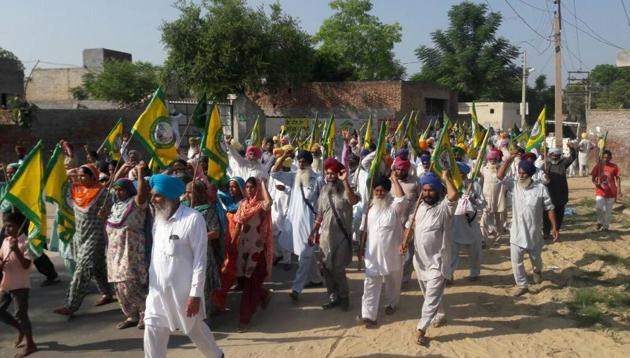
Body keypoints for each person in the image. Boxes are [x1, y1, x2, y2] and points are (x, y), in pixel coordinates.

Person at [143, 174, 223, 358]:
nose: (153, 200)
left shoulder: (193, 219)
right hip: (157, 293)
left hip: (183, 293)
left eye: (157, 196)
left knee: (196, 330)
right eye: (153, 195)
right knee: (152, 329)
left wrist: (195, 295)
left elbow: (200, 260)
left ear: (170, 196)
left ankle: (217, 356)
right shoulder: (158, 219)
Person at [400, 171, 458, 346]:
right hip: (420, 261)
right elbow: (409, 228)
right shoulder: (418, 208)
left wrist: (446, 177)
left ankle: (421, 329)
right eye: (424, 190)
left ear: (438, 191)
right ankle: (439, 314)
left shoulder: (443, 209)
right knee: (429, 296)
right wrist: (404, 241)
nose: (426, 193)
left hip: (438, 262)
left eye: (430, 190)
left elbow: (454, 195)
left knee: (431, 296)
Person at [54, 164, 114, 316]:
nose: (80, 178)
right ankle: (108, 293)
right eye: (79, 176)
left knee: (83, 269)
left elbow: (114, 211)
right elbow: (60, 187)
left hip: (96, 236)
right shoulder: (76, 191)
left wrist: (106, 213)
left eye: (83, 176)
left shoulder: (103, 193)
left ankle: (71, 305)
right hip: (80, 236)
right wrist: (68, 174)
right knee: (99, 267)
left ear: (93, 177)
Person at [497, 152, 558, 296]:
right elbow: (499, 176)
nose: (521, 175)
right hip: (516, 233)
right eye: (520, 173)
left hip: (534, 233)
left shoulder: (540, 188)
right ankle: (522, 284)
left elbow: (550, 208)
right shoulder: (514, 185)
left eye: (524, 173)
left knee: (536, 260)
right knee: (516, 262)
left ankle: (537, 271)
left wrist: (554, 227)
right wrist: (508, 160)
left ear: (530, 174)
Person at [102, 164, 150, 329]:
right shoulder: (115, 207)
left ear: (129, 190)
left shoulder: (136, 203)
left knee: (131, 284)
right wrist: (121, 170)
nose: (117, 192)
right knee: (118, 286)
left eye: (121, 189)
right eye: (116, 190)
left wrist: (140, 174)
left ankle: (146, 313)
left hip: (131, 250)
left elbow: (142, 192)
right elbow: (111, 187)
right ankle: (131, 315)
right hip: (114, 252)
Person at [272, 150, 324, 301]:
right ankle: (316, 279)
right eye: (299, 161)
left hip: (310, 223)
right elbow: (274, 173)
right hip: (294, 222)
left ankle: (296, 288)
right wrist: (284, 156)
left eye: (304, 161)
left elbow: (323, 201)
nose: (301, 164)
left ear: (309, 162)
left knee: (305, 255)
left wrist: (320, 223)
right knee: (306, 253)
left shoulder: (318, 179)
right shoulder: (294, 176)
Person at [310, 158, 359, 311]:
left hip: (342, 237)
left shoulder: (346, 190)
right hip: (325, 236)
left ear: (339, 174)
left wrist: (345, 181)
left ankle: (344, 296)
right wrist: (312, 231)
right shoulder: (324, 190)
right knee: (326, 268)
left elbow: (353, 201)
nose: (330, 176)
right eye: (328, 174)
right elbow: (320, 213)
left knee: (338, 268)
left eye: (333, 174)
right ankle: (333, 296)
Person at [0, 163, 61, 287]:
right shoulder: (4, 187)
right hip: (8, 225)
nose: (10, 175)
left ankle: (51, 275)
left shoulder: (25, 188)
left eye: (13, 172)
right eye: (8, 172)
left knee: (34, 251)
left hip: (23, 225)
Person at [358, 174, 405, 327]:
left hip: (392, 253)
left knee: (393, 281)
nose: (379, 193)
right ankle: (368, 315)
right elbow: (363, 230)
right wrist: (360, 248)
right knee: (370, 283)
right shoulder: (369, 207)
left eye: (382, 191)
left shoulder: (394, 207)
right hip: (372, 254)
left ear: (387, 191)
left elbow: (401, 198)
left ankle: (392, 304)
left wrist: (394, 179)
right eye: (377, 191)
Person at [233, 177, 273, 330]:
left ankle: (245, 318)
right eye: (247, 187)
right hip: (243, 247)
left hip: (256, 249)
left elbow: (269, 203)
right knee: (242, 281)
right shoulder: (243, 204)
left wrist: (263, 183)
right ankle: (264, 295)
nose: (249, 190)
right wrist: (232, 243)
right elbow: (238, 224)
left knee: (250, 284)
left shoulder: (260, 205)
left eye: (252, 187)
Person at [183, 180, 221, 322]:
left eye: (190, 192)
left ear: (198, 193)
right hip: (186, 255)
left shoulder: (207, 210)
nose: (187, 195)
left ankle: (206, 317)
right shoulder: (183, 210)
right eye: (186, 192)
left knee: (202, 286)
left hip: (202, 253)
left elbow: (215, 232)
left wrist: (197, 237)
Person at [0, 212, 37, 357]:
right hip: (6, 283)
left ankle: (31, 344)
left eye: (10, 226)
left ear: (20, 227)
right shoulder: (5, 241)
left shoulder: (26, 242)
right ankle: (20, 329)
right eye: (5, 227)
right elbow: (1, 256)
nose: (7, 230)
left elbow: (27, 265)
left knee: (20, 313)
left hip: (20, 284)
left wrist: (17, 250)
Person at [212, 177, 245, 312]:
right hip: (227, 236)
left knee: (230, 268)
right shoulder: (227, 202)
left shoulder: (243, 203)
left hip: (239, 238)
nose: (231, 189)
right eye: (230, 186)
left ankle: (219, 301)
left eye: (235, 187)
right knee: (230, 267)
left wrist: (233, 240)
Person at [450, 162, 486, 282]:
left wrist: (472, 199)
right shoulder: (450, 185)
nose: (459, 175)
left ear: (465, 174)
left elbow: (482, 204)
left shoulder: (474, 185)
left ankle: (474, 273)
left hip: (470, 223)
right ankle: (449, 275)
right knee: (451, 253)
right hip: (454, 223)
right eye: (456, 173)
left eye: (461, 173)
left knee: (475, 251)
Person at [542, 146, 576, 239]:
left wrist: (572, 149)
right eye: (553, 155)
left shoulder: (563, 164)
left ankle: (556, 231)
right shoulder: (545, 164)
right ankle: (546, 232)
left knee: (559, 214)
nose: (555, 157)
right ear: (549, 155)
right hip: (548, 193)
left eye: (557, 155)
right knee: (546, 214)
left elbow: (573, 157)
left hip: (561, 193)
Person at [268, 156, 293, 271]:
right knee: (273, 234)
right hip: (275, 208)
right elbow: (271, 189)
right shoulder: (275, 174)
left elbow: (296, 192)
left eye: (284, 167)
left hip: (287, 210)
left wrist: (285, 190)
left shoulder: (293, 175)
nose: (282, 168)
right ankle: (278, 254)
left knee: (285, 235)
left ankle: (287, 260)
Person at [479, 148, 508, 246]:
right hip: (487, 198)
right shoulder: (484, 169)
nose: (492, 160)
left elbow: (507, 158)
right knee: (485, 219)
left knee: (499, 220)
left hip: (499, 198)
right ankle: (483, 239)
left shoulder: (501, 168)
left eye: (494, 159)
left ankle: (498, 239)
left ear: (497, 159)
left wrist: (503, 148)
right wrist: (481, 152)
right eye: (490, 159)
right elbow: (480, 162)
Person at [591, 150, 622, 232]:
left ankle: (605, 227)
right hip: (600, 191)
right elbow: (593, 178)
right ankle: (600, 222)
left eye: (608, 157)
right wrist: (596, 184)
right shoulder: (598, 166)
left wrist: (619, 190)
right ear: (602, 157)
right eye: (604, 157)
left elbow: (618, 178)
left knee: (608, 212)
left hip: (611, 192)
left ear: (611, 158)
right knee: (599, 208)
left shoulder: (614, 166)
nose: (606, 159)